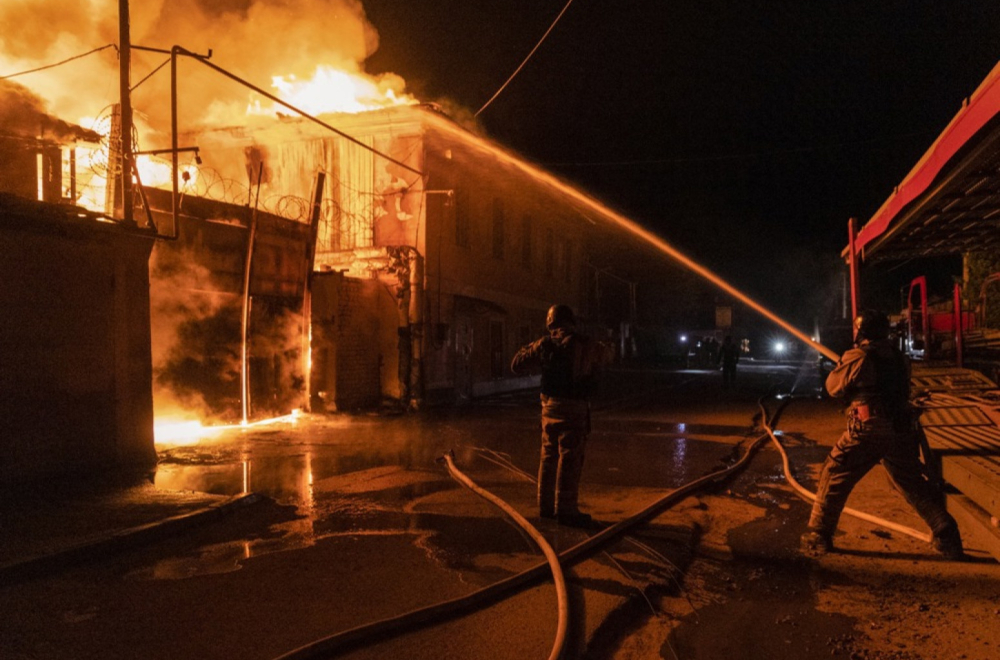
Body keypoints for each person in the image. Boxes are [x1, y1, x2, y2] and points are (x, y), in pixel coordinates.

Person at [801, 309, 964, 559]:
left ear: (862, 331)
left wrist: (844, 366)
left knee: (835, 472)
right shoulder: (900, 357)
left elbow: (833, 388)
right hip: (899, 429)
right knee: (910, 482)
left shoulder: (858, 356)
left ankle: (819, 534)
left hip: (869, 430)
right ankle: (947, 534)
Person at [511, 304, 612, 527]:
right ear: (571, 322)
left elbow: (516, 365)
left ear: (550, 323)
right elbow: (606, 357)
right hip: (575, 408)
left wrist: (531, 346)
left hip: (549, 407)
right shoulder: (586, 344)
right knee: (570, 458)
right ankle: (566, 509)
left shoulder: (544, 344)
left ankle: (545, 506)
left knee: (548, 455)